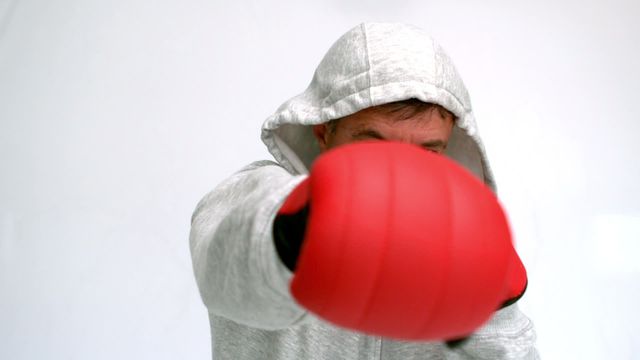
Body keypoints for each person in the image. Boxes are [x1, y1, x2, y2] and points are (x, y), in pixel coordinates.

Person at [189, 22, 539, 359]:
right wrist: (301, 226)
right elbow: (234, 253)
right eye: (374, 146)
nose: (401, 173)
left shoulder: (456, 240)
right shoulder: (249, 197)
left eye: (427, 151)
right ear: (324, 131)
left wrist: (493, 307)